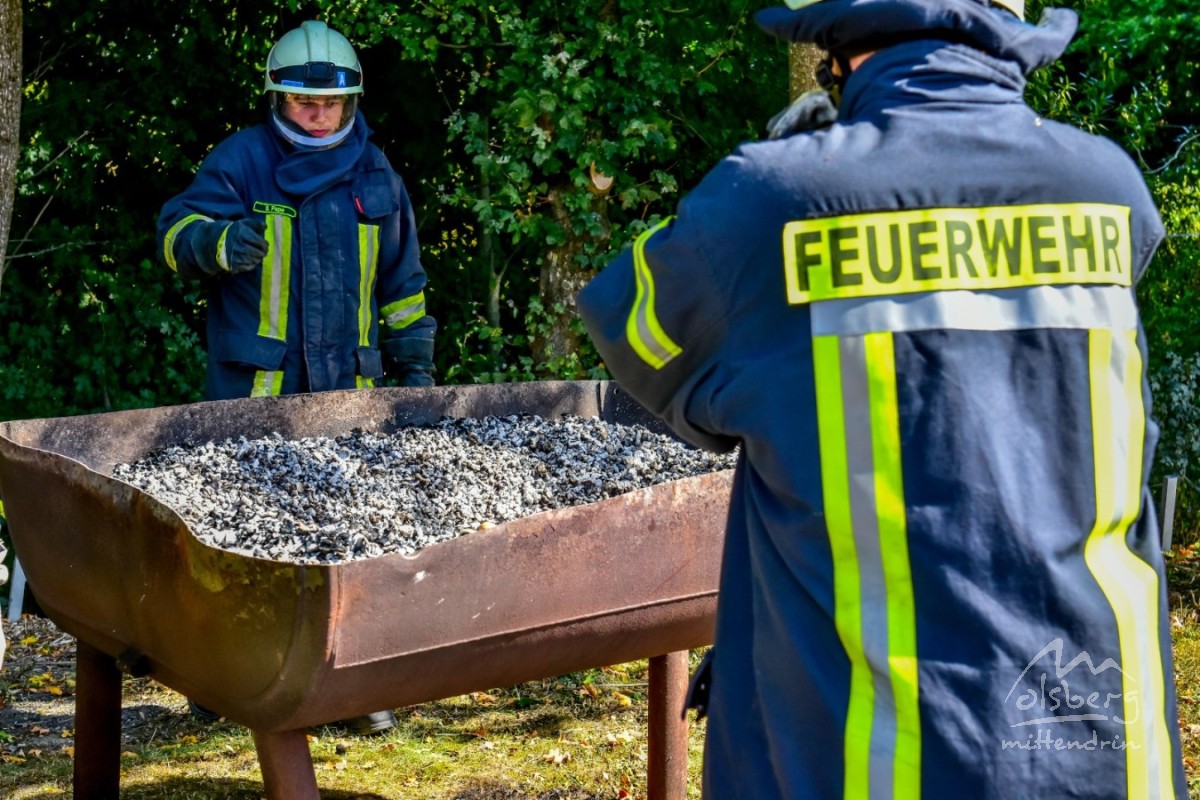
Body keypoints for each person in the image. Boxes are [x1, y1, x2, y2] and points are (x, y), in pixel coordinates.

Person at [577, 0, 1187, 796]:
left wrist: (780, 170)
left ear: (840, 37)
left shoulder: (768, 202)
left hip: (879, 764)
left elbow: (632, 331)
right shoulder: (1112, 189)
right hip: (1108, 755)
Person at [156, 20, 436, 735]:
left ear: (350, 101)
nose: (320, 115)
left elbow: (403, 284)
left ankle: (351, 687)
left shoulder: (378, 176)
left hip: (352, 394)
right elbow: (172, 233)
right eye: (305, 103)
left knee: (353, 534)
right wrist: (219, 244)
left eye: (331, 104)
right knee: (241, 537)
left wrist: (416, 367)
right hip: (257, 396)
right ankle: (224, 681)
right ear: (279, 100)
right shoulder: (241, 162)